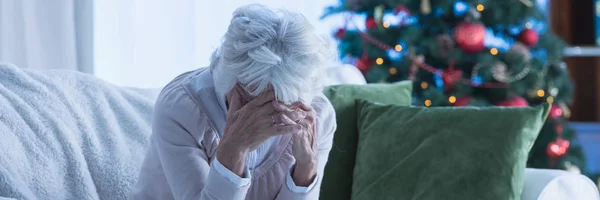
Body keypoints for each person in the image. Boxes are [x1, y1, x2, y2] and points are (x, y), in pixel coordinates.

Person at [130, 4, 337, 200]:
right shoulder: (181, 108)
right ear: (230, 81)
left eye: (283, 101)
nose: (268, 114)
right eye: (255, 97)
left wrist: (306, 169)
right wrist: (235, 148)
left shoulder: (318, 115)